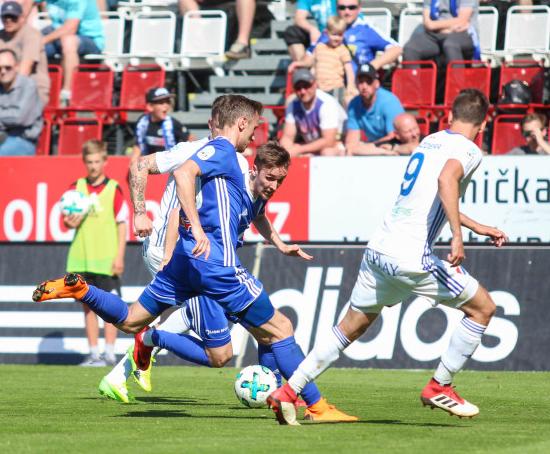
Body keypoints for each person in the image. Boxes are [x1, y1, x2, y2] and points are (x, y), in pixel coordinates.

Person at [32, 95, 355, 423]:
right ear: (241, 123)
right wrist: (198, 228)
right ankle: (317, 407)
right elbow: (185, 174)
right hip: (215, 264)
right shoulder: (224, 150)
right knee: (281, 328)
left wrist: (280, 243)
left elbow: (252, 210)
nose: (254, 136)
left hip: (183, 263)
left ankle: (81, 290)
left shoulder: (234, 165)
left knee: (130, 320)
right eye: (253, 128)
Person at [267, 89, 508, 425]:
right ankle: (441, 385)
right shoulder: (469, 149)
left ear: (449, 117)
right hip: (411, 255)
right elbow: (446, 180)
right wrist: (457, 235)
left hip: (379, 249)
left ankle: (289, 390)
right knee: (483, 308)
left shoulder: (430, 141)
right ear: (482, 125)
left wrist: (475, 225)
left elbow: (435, 193)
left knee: (349, 328)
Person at [64, 139, 129, 366]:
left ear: (105, 161)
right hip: (82, 257)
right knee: (88, 308)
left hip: (106, 258)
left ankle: (109, 353)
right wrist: (71, 221)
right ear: (84, 162)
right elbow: (66, 222)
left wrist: (119, 255)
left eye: (97, 161)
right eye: (89, 162)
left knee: (109, 308)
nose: (93, 166)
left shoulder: (114, 189)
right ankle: (93, 354)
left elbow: (122, 224)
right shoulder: (75, 188)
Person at [26, 0, 104, 100]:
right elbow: (29, 0)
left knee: (67, 40)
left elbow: (70, 28)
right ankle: (27, 90)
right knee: (29, 41)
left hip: (89, 38)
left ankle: (66, 95)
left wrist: (42, 41)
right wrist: (21, 28)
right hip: (59, 34)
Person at [290, 15, 357, 104]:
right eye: (334, 34)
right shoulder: (320, 47)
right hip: (319, 88)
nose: (336, 38)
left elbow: (349, 70)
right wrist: (311, 81)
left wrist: (350, 87)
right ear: (326, 33)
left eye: (340, 35)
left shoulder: (343, 50)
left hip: (335, 87)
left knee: (334, 109)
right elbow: (315, 67)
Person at [279, 68, 345, 157]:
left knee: (327, 152)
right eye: (298, 88)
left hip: (338, 143)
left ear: (314, 84)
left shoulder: (326, 103)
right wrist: (286, 152)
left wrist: (299, 150)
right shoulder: (293, 105)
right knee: (287, 151)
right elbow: (287, 138)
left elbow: (329, 141)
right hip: (312, 145)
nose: (303, 91)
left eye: (306, 86)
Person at [344, 63, 405, 156]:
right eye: (361, 82)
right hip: (375, 147)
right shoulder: (354, 104)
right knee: (344, 152)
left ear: (377, 84)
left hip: (394, 146)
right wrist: (365, 148)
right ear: (356, 84)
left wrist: (368, 147)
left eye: (368, 82)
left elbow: (393, 137)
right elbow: (351, 143)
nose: (364, 87)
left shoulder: (389, 101)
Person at [129, 87, 195, 162]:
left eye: (167, 102)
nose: (166, 106)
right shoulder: (142, 123)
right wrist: (133, 163)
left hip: (169, 165)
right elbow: (138, 145)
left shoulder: (173, 123)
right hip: (149, 165)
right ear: (150, 107)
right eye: (161, 103)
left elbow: (191, 139)